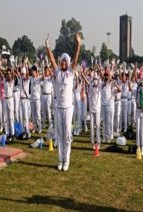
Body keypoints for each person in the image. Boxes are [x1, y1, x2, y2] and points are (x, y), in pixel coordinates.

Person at [45, 32, 81, 172]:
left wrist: (78, 44)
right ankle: (60, 160)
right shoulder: (57, 72)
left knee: (67, 135)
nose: (63, 63)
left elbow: (76, 61)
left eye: (65, 61)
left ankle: (67, 160)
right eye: (62, 61)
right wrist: (48, 46)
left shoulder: (71, 72)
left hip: (68, 107)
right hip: (58, 107)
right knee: (59, 135)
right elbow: (52, 59)